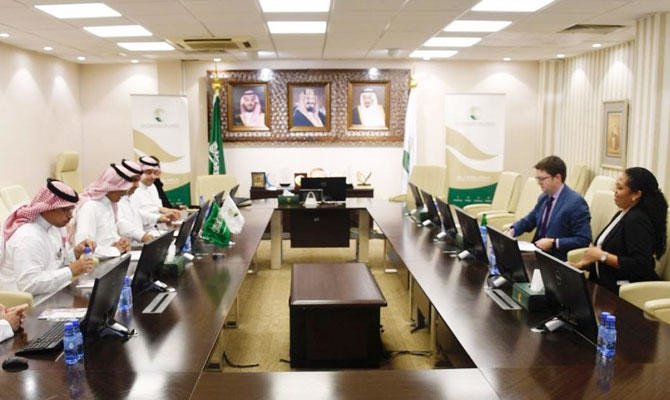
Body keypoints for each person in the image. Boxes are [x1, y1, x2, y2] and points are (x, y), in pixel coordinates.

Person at [573, 167, 668, 294]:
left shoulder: (637, 220)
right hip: (604, 283)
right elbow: (614, 252)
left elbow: (641, 264)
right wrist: (581, 265)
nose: (614, 191)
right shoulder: (623, 213)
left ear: (636, 195)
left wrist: (602, 256)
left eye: (620, 188)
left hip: (624, 290)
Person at [0, 179, 95, 296]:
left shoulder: (53, 228)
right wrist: (70, 270)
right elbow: (29, 285)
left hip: (49, 293)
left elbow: (56, 263)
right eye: (65, 210)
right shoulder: (28, 236)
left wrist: (75, 253)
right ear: (47, 208)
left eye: (71, 209)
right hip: (25, 302)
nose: (70, 215)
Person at [507, 156, 591, 260]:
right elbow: (529, 220)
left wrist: (554, 242)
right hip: (537, 253)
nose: (539, 182)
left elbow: (583, 239)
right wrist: (512, 230)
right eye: (538, 179)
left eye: (542, 179)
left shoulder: (576, 203)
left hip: (556, 259)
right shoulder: (544, 197)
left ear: (557, 178)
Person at [74, 164, 133, 258]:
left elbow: (108, 238)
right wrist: (116, 250)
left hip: (113, 258)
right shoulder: (89, 207)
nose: (125, 193)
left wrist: (120, 242)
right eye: (122, 189)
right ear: (111, 188)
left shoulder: (110, 204)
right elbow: (85, 249)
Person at [131, 156, 181, 231]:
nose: (153, 177)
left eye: (155, 173)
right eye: (148, 173)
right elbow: (138, 216)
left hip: (157, 231)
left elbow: (157, 210)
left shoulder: (152, 186)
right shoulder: (133, 189)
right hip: (142, 233)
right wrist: (160, 215)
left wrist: (169, 223)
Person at [116, 159, 154, 245]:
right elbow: (120, 223)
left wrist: (159, 218)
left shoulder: (133, 196)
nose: (137, 185)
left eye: (138, 181)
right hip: (123, 248)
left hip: (137, 245)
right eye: (134, 181)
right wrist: (141, 235)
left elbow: (140, 214)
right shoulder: (115, 200)